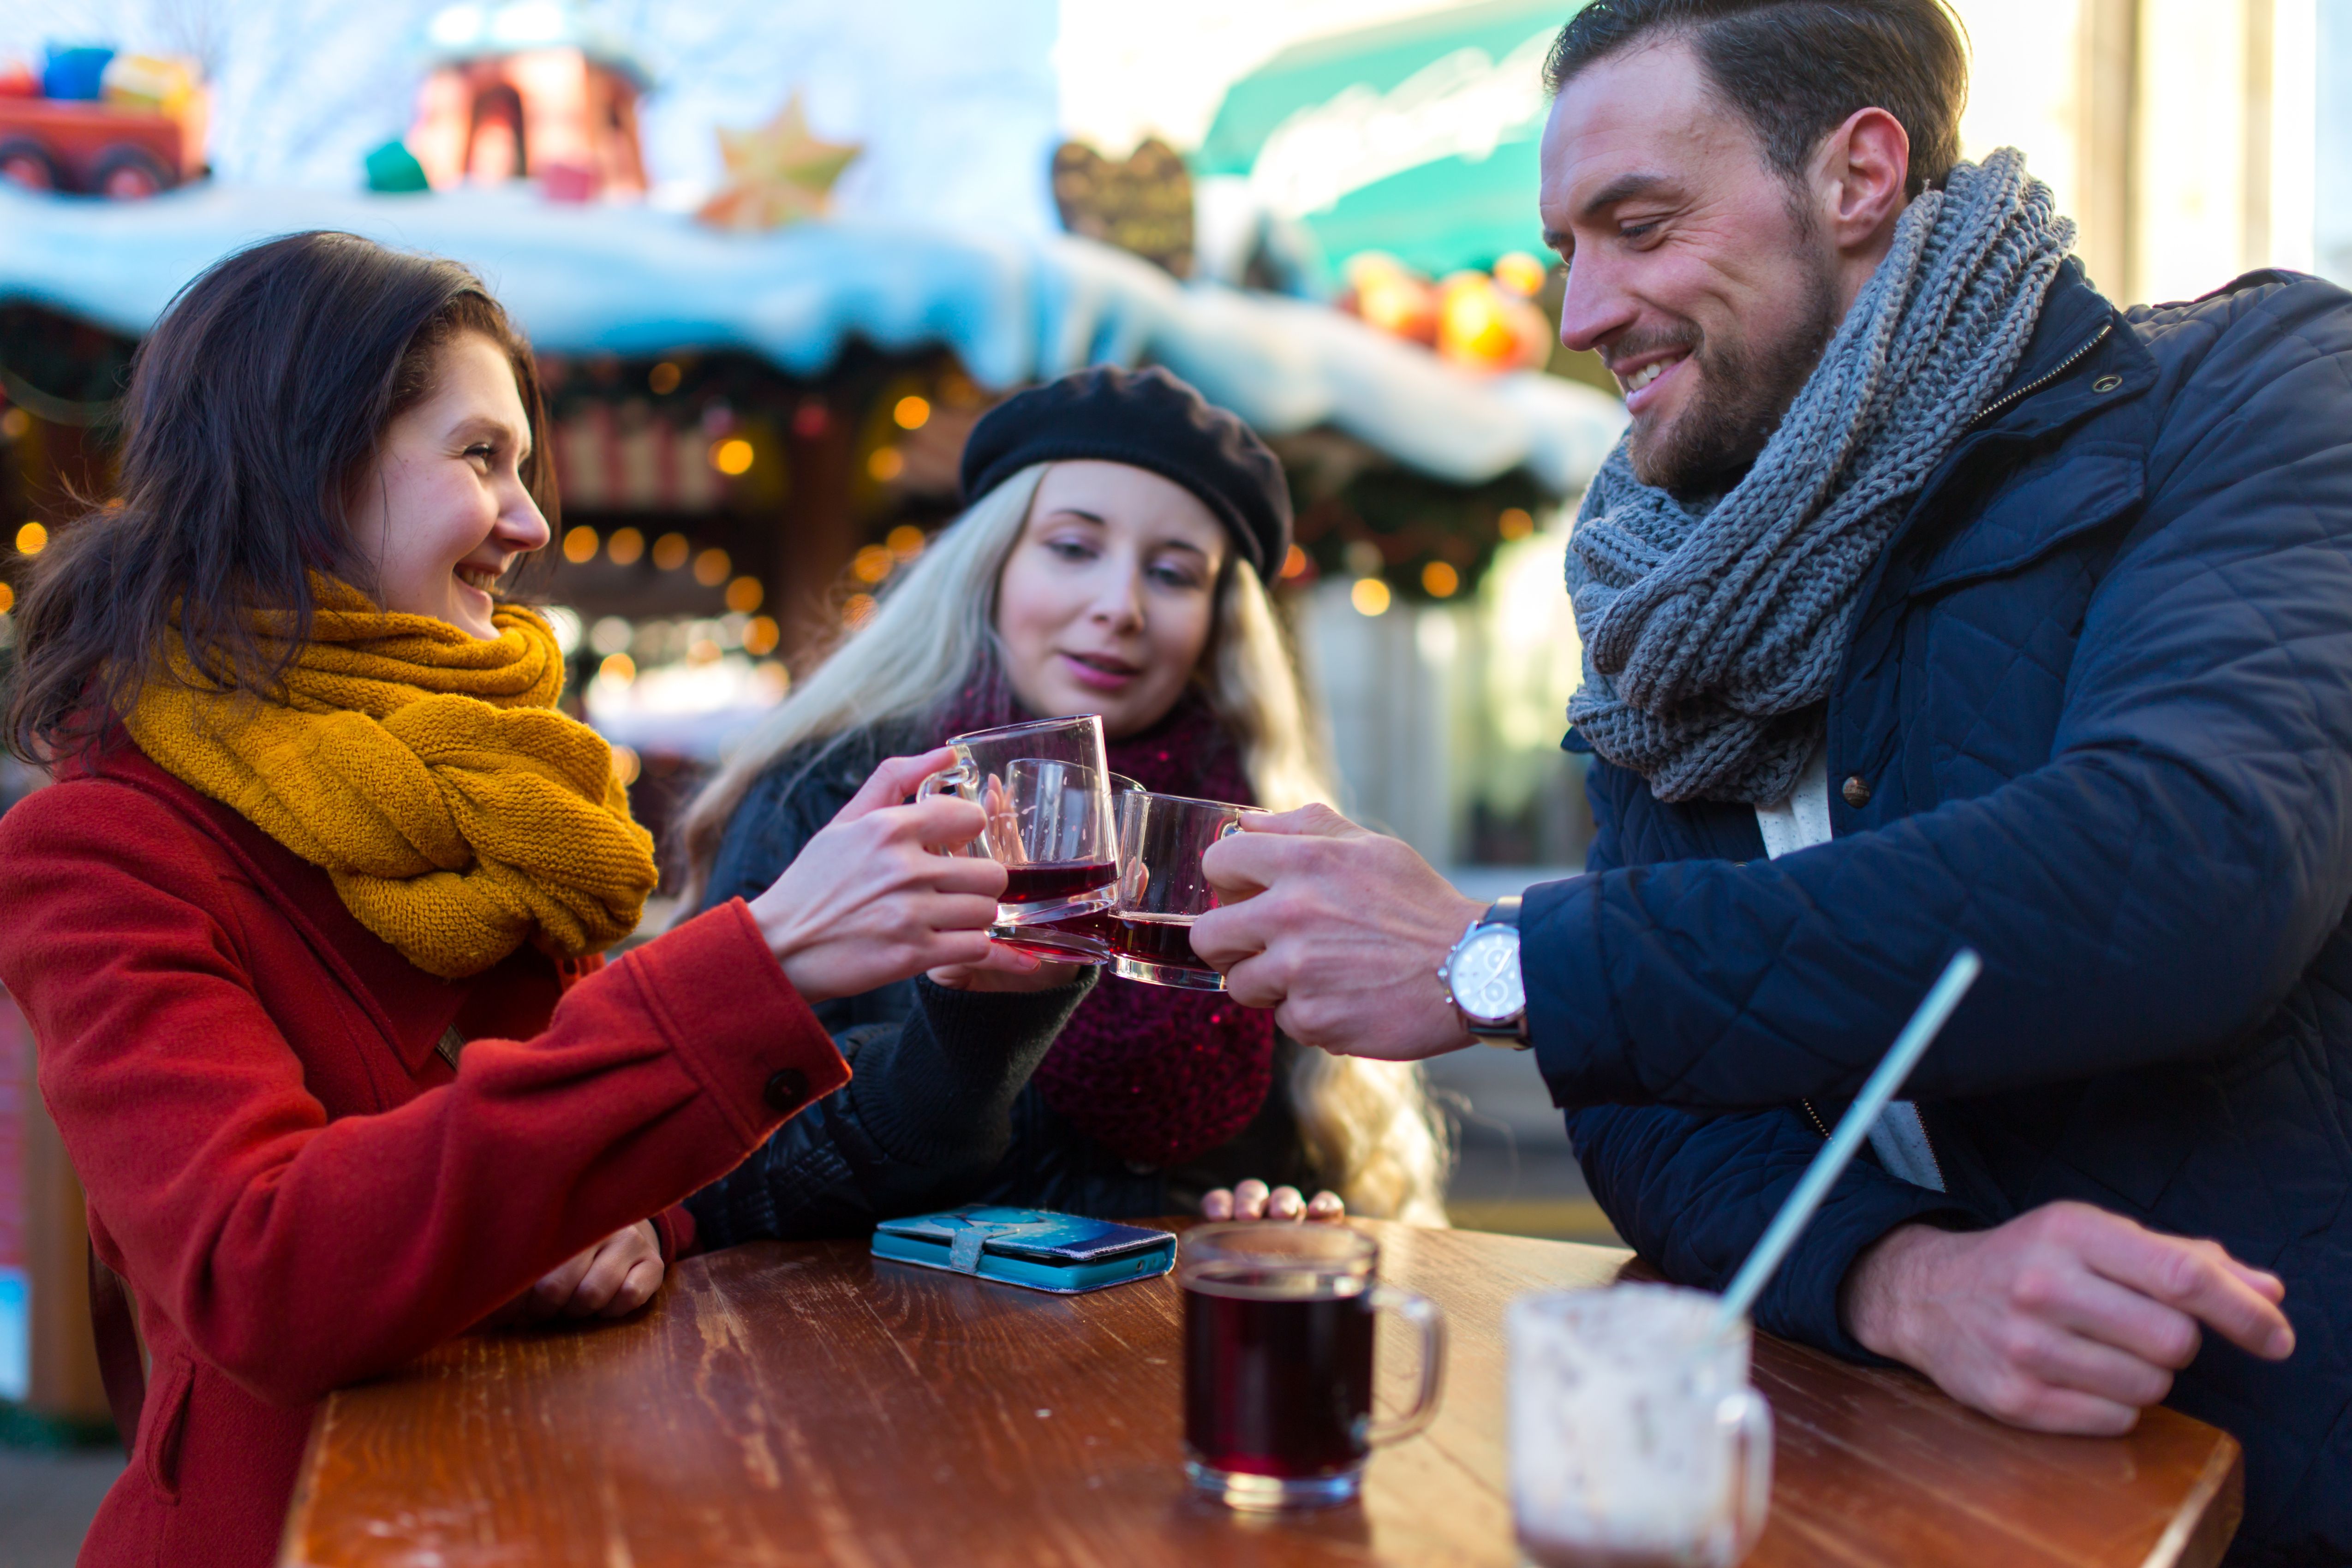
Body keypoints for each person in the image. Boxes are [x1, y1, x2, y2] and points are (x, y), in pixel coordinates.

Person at [1189, 2, 2348, 1560]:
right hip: (1882, 1474)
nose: (1582, 309)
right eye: (1563, 251)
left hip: (2268, 1468)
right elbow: (1649, 1105)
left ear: (1856, 174)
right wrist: (1899, 1278)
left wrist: (1499, 958)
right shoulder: (1673, 581)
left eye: (1639, 226)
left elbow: (2184, 866)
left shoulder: (2254, 387)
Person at [0, 232, 1023, 1567]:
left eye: (522, 468)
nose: (532, 523)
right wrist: (761, 959)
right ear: (302, 463)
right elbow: (267, 1275)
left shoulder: (512, 787)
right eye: (481, 457)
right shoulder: (104, 844)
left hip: (543, 1497)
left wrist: (637, 1226)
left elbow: (574, 1128)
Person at [678, 366, 1449, 1240]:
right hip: (889, 1354)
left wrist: (1265, 1211)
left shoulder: (1255, 830)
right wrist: (964, 1036)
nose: (1118, 607)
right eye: (1074, 548)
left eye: (1172, 573)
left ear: (1218, 620)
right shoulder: (835, 793)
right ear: (991, 565)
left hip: (1148, 1357)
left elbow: (1310, 1148)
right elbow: (717, 1174)